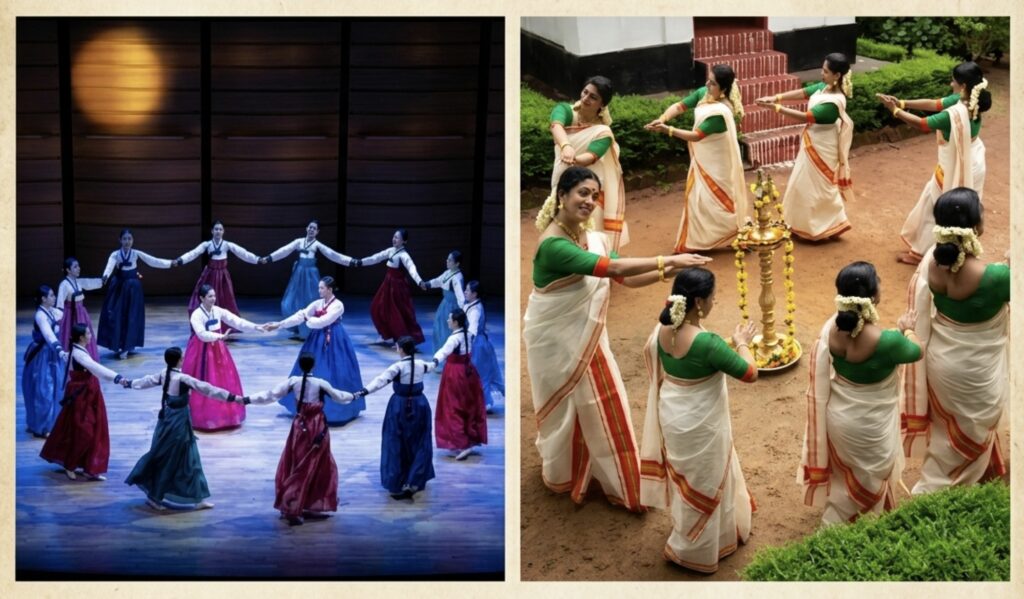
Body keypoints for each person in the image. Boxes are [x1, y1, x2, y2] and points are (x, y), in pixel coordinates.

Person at [524, 166, 711, 512]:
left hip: (585, 337)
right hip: (558, 341)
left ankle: (594, 474)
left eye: (594, 196)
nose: (590, 201)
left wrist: (667, 272)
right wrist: (669, 258)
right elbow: (612, 269)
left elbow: (623, 277)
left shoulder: (588, 236)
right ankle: (625, 487)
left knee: (595, 405)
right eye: (582, 193)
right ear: (561, 196)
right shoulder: (553, 244)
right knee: (596, 405)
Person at [638, 268, 758, 572]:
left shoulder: (662, 330)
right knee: (707, 477)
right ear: (700, 302)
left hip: (674, 416)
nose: (714, 303)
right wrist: (742, 341)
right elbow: (750, 373)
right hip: (702, 424)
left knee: (687, 481)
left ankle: (689, 539)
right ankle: (701, 551)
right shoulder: (708, 343)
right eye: (713, 298)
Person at [799, 262, 922, 526]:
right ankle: (862, 527)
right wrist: (908, 329)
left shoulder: (831, 329)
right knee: (871, 479)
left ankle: (841, 520)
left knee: (847, 478)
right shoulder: (888, 341)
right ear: (873, 296)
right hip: (871, 426)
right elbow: (916, 351)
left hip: (839, 421)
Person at [904, 187, 1008, 493]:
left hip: (941, 365)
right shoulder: (997, 278)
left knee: (946, 433)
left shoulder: (931, 264)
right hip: (977, 372)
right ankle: (936, 490)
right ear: (976, 226)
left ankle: (960, 473)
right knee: (973, 429)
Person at [877, 61, 991, 264]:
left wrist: (894, 110)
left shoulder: (955, 113)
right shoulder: (971, 100)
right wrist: (902, 103)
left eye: (953, 81)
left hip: (958, 163)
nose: (950, 83)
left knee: (939, 206)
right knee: (947, 203)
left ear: (962, 86)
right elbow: (935, 103)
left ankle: (930, 254)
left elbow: (922, 124)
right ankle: (945, 248)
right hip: (971, 158)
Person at [124, 347, 242, 511]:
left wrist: (129, 383)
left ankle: (197, 498)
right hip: (176, 423)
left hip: (172, 420)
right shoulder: (181, 378)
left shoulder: (165, 373)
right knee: (169, 458)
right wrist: (233, 398)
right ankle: (155, 497)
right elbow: (206, 388)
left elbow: (146, 381)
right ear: (179, 360)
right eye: (182, 357)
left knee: (190, 459)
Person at [244, 352, 355, 526]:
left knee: (298, 462)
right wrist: (357, 395)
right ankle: (294, 504)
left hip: (299, 427)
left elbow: (270, 395)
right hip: (316, 427)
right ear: (314, 366)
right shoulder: (320, 384)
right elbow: (340, 397)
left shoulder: (293, 382)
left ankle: (297, 502)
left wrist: (247, 400)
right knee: (313, 464)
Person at [646, 64, 747, 252]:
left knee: (717, 200)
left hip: (717, 162)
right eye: (708, 79)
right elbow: (680, 106)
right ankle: (697, 240)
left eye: (713, 83)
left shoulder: (721, 112)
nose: (708, 84)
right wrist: (662, 118)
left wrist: (667, 130)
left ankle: (734, 233)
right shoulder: (704, 92)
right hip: (702, 157)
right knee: (698, 198)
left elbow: (696, 136)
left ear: (723, 89)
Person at [755, 53, 854, 241]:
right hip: (811, 143)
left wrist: (776, 108)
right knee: (803, 185)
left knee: (817, 188)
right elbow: (804, 92)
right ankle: (807, 224)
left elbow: (806, 117)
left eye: (825, 71)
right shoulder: (824, 88)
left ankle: (821, 227)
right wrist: (776, 98)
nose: (821, 74)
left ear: (837, 76)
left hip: (823, 148)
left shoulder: (835, 103)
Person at [266, 276, 365, 425]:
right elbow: (300, 315)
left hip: (335, 339)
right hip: (317, 339)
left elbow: (321, 322)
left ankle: (337, 411)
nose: (319, 290)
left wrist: (308, 319)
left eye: (322, 288)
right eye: (319, 288)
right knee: (312, 367)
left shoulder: (338, 305)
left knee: (336, 369)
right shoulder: (317, 303)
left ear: (330, 289)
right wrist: (279, 324)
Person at [40, 324, 129, 481]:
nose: (90, 335)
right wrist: (118, 378)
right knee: (84, 431)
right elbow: (95, 367)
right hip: (81, 396)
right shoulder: (80, 355)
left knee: (94, 430)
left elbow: (65, 356)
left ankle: (89, 468)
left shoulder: (77, 350)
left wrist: (58, 347)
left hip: (89, 393)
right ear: (81, 338)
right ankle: (70, 464)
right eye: (88, 333)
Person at [549, 75, 628, 251]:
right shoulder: (565, 110)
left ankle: (595, 265)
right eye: (585, 92)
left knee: (591, 227)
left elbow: (591, 157)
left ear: (602, 104)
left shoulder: (603, 131)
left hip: (589, 184)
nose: (585, 98)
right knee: (561, 219)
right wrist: (566, 146)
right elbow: (556, 126)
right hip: (562, 175)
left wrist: (573, 159)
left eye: (593, 97)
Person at [355, 336, 436, 499]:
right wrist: (437, 358)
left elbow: (380, 381)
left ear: (401, 349)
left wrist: (363, 391)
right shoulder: (421, 364)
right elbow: (433, 365)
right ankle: (413, 479)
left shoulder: (397, 367)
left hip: (399, 407)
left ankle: (399, 480)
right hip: (420, 405)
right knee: (420, 442)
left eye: (397, 347)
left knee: (395, 442)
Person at [182, 284, 266, 431]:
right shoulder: (197, 314)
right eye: (210, 296)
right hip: (201, 350)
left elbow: (236, 321)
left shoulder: (218, 311)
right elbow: (201, 334)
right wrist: (221, 336)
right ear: (201, 298)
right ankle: (202, 416)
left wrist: (256, 327)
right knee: (203, 380)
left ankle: (223, 416)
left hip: (218, 350)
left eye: (214, 296)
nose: (213, 299)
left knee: (222, 379)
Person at [260, 220, 358, 339]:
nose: (311, 230)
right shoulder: (299, 242)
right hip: (298, 273)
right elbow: (284, 250)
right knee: (289, 302)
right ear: (307, 228)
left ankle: (307, 330)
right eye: (310, 227)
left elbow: (333, 254)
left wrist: (350, 261)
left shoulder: (317, 244)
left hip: (310, 274)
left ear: (317, 232)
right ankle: (295, 326)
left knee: (309, 299)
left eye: (314, 228)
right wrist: (270, 258)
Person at [97, 228, 176, 358]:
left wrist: (170, 263)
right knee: (117, 316)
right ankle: (118, 344)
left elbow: (153, 261)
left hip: (133, 288)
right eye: (124, 239)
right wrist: (105, 276)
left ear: (132, 240)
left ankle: (128, 346)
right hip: (119, 287)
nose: (127, 241)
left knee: (132, 317)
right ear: (120, 240)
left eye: (129, 239)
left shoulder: (136, 254)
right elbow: (109, 266)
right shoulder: (115, 254)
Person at [175, 220, 260, 331]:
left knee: (225, 301)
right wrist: (181, 260)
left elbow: (243, 252)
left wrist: (257, 259)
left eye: (220, 229)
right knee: (202, 299)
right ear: (212, 231)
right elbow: (193, 253)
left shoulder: (227, 245)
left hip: (223, 277)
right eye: (216, 229)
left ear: (223, 231)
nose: (218, 231)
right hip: (210, 275)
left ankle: (225, 328)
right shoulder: (207, 244)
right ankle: (204, 326)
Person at [432, 309, 487, 461]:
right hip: (468, 372)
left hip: (455, 373)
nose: (448, 321)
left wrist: (434, 362)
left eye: (450, 319)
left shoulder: (454, 338)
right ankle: (466, 440)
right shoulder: (468, 333)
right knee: (467, 406)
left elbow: (444, 351)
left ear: (456, 322)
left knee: (453, 407)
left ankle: (463, 444)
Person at [360, 229, 426, 344]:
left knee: (397, 313)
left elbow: (412, 269)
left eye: (397, 237)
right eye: (394, 237)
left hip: (398, 287)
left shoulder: (404, 255)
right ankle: (386, 334)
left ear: (404, 241)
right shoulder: (391, 250)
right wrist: (360, 262)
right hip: (388, 283)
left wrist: (419, 281)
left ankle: (401, 340)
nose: (394, 239)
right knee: (377, 308)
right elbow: (376, 257)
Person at [22, 285, 66, 438]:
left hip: (52, 354)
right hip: (43, 356)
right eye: (51, 296)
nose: (54, 298)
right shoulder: (40, 316)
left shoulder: (52, 311)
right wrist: (59, 349)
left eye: (54, 295)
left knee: (56, 388)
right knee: (44, 391)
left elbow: (63, 313)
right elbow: (48, 334)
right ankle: (42, 427)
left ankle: (53, 423)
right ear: (44, 299)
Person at [464, 280, 504, 411]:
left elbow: (473, 330)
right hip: (479, 343)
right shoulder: (471, 305)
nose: (465, 292)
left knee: (479, 374)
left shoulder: (475, 310)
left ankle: (484, 403)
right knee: (482, 373)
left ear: (474, 294)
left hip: (477, 345)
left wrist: (465, 344)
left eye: (467, 290)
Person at [419, 250, 465, 364]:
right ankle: (440, 359)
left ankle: (446, 361)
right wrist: (427, 284)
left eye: (450, 260)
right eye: (447, 259)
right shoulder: (448, 272)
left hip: (451, 308)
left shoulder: (457, 278)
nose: (447, 261)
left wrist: (460, 313)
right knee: (438, 331)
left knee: (446, 333)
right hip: (444, 305)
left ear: (457, 263)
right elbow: (438, 281)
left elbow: (461, 298)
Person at [56, 257, 103, 360]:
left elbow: (89, 283)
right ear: (68, 270)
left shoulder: (78, 282)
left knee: (85, 335)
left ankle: (87, 360)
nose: (79, 268)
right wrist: (58, 321)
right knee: (71, 337)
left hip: (81, 313)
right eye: (75, 267)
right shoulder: (64, 285)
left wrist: (102, 281)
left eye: (78, 266)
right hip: (70, 315)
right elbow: (59, 304)